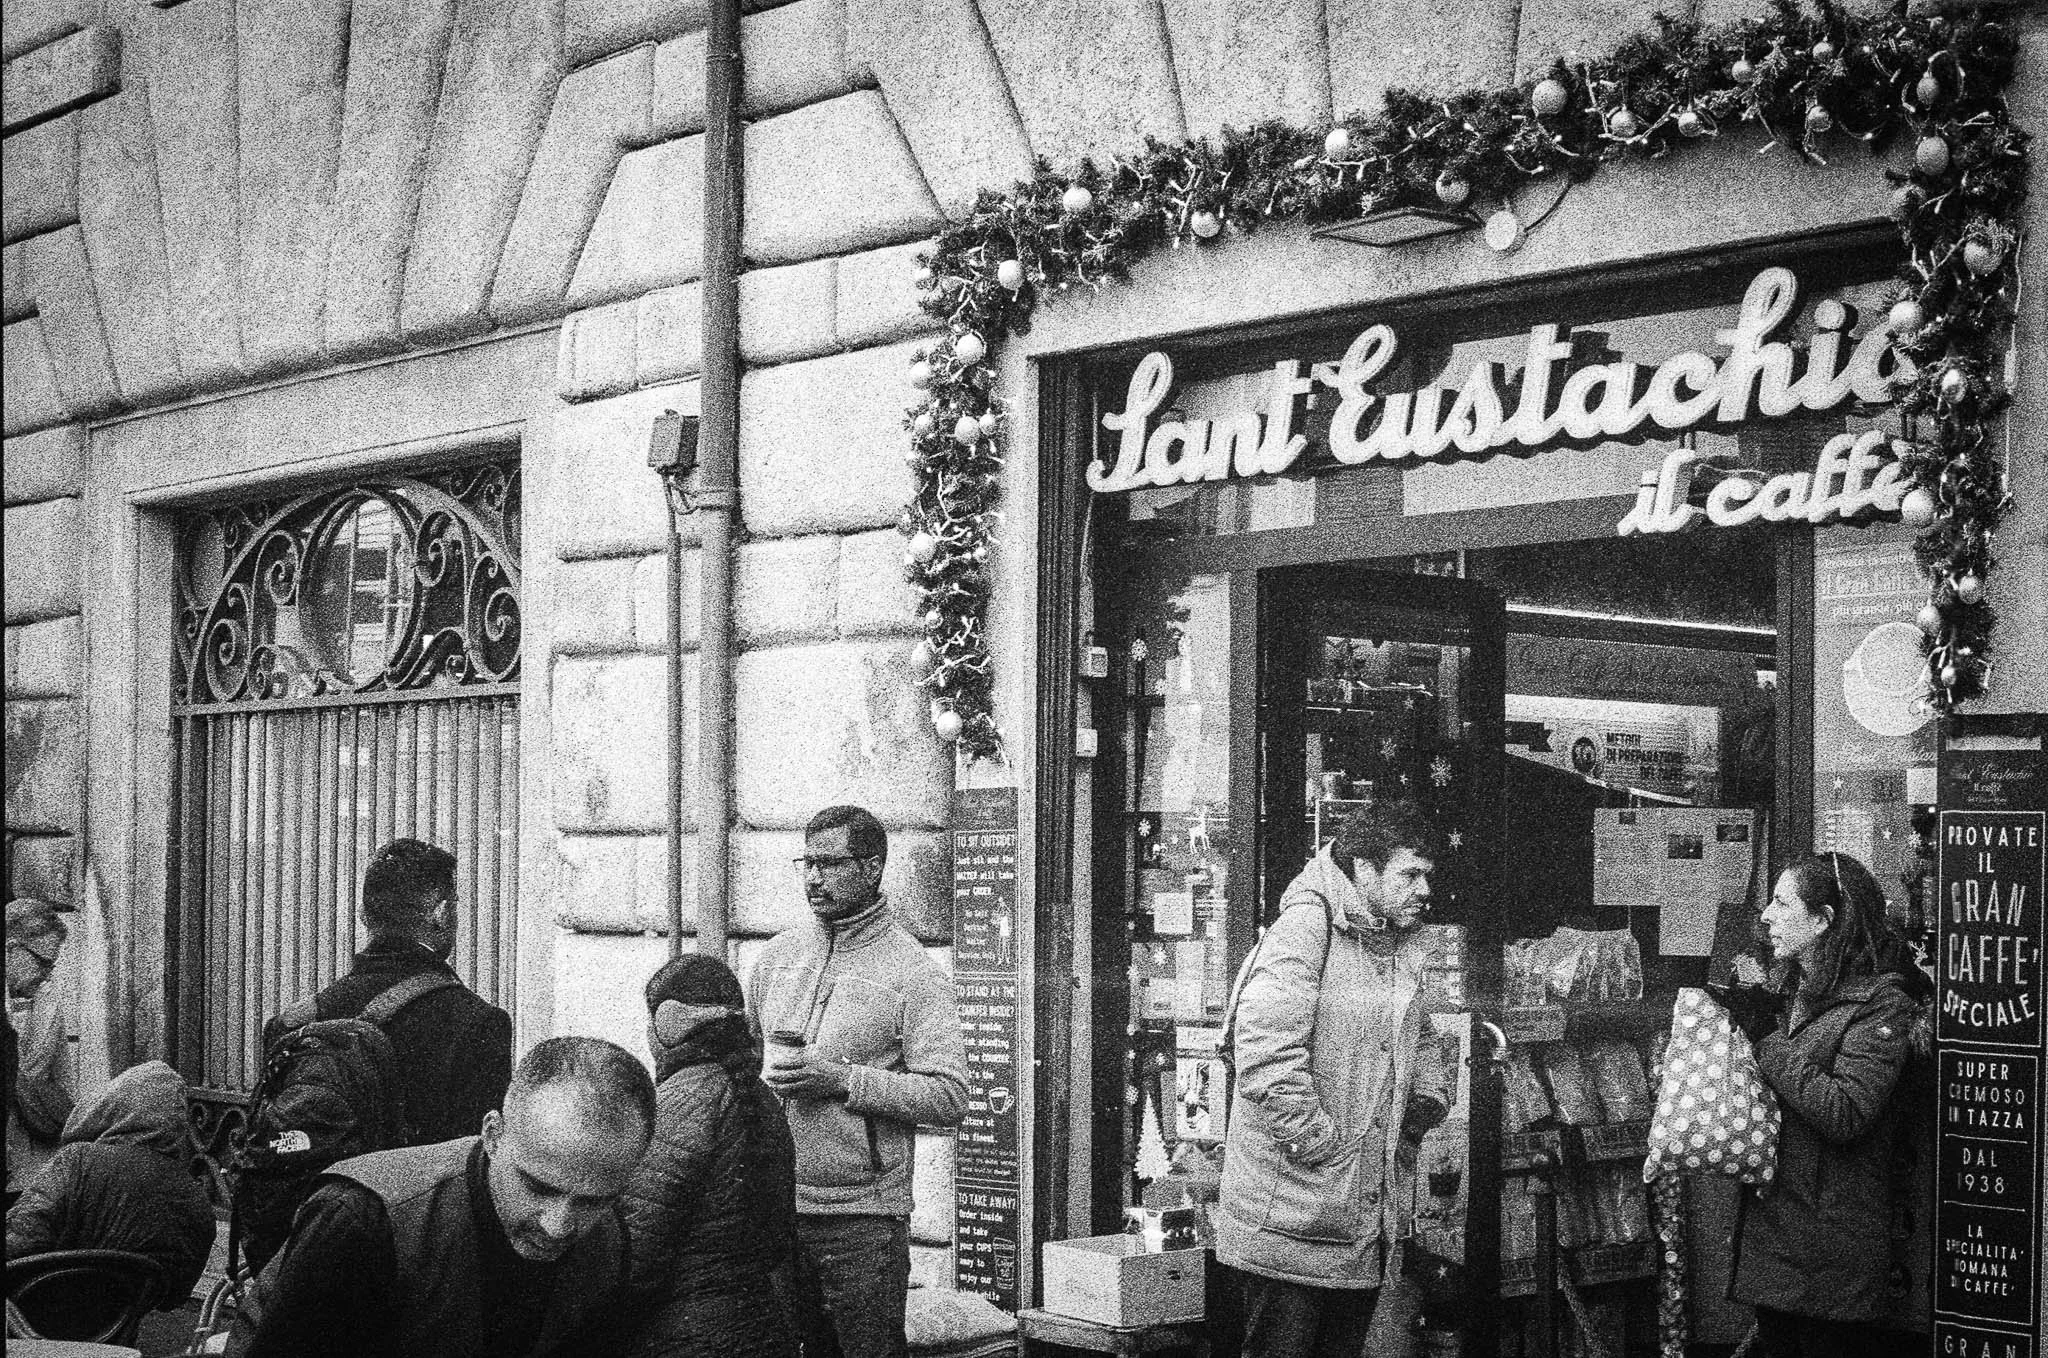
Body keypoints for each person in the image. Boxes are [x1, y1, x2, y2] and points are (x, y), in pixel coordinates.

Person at [225, 1035, 656, 1358]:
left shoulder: (608, 1244)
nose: (558, 1225)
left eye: (594, 1200)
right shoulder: (363, 1217)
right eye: (538, 1187)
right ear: (493, 1134)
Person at [1214, 800, 1455, 1358]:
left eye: (1428, 876)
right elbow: (1265, 1049)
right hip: (1293, 1222)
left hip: (1358, 1220)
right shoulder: (1307, 926)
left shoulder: (1401, 944)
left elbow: (1425, 1040)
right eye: (1410, 874)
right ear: (1364, 870)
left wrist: (1426, 1105)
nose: (1424, 890)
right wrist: (1321, 1146)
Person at [747, 804, 969, 1358]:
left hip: (863, 1221)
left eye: (829, 864)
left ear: (872, 869)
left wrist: (844, 1080)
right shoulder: (777, 957)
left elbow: (950, 1096)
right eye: (807, 863)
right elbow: (744, 1071)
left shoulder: (913, 973)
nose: (813, 878)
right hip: (777, 1209)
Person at [1725, 851, 1927, 1358]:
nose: (1766, 915)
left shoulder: (1883, 1004)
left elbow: (1847, 1112)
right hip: (1778, 1239)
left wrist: (1765, 1040)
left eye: (1781, 902)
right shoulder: (1791, 991)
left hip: (1829, 1252)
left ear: (1821, 920)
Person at [268, 838, 511, 1145]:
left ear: (363, 915)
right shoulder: (479, 1024)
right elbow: (480, 1158)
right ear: (442, 913)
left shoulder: (293, 1023)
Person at [617, 954, 798, 1358]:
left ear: (666, 1025)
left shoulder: (679, 1102)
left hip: (685, 1332)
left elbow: (639, 1246)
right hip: (760, 1324)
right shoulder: (761, 1098)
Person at [6, 1059, 216, 1307]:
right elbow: (174, 1296)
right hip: (116, 1331)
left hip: (37, 1317)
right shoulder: (193, 1194)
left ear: (112, 1109)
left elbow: (19, 1241)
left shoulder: (78, 1162)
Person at [6, 898, 72, 1197]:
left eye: (52, 965)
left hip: (33, 1171)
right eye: (42, 961)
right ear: (11, 948)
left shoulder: (48, 1001)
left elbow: (62, 1088)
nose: (47, 973)